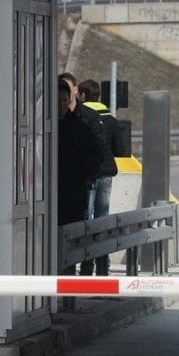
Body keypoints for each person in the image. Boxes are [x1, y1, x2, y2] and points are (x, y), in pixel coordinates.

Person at [77, 79, 125, 276]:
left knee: (86, 219)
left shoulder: (80, 117)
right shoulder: (111, 121)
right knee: (102, 219)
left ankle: (86, 266)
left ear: (82, 96)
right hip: (106, 172)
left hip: (87, 174)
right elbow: (120, 150)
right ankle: (103, 268)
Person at [57, 79, 101, 275]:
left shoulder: (80, 127)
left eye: (64, 100)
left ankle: (66, 288)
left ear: (70, 100)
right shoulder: (40, 128)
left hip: (72, 194)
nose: (60, 105)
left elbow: (97, 155)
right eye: (56, 100)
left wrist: (83, 175)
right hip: (45, 197)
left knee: (70, 242)